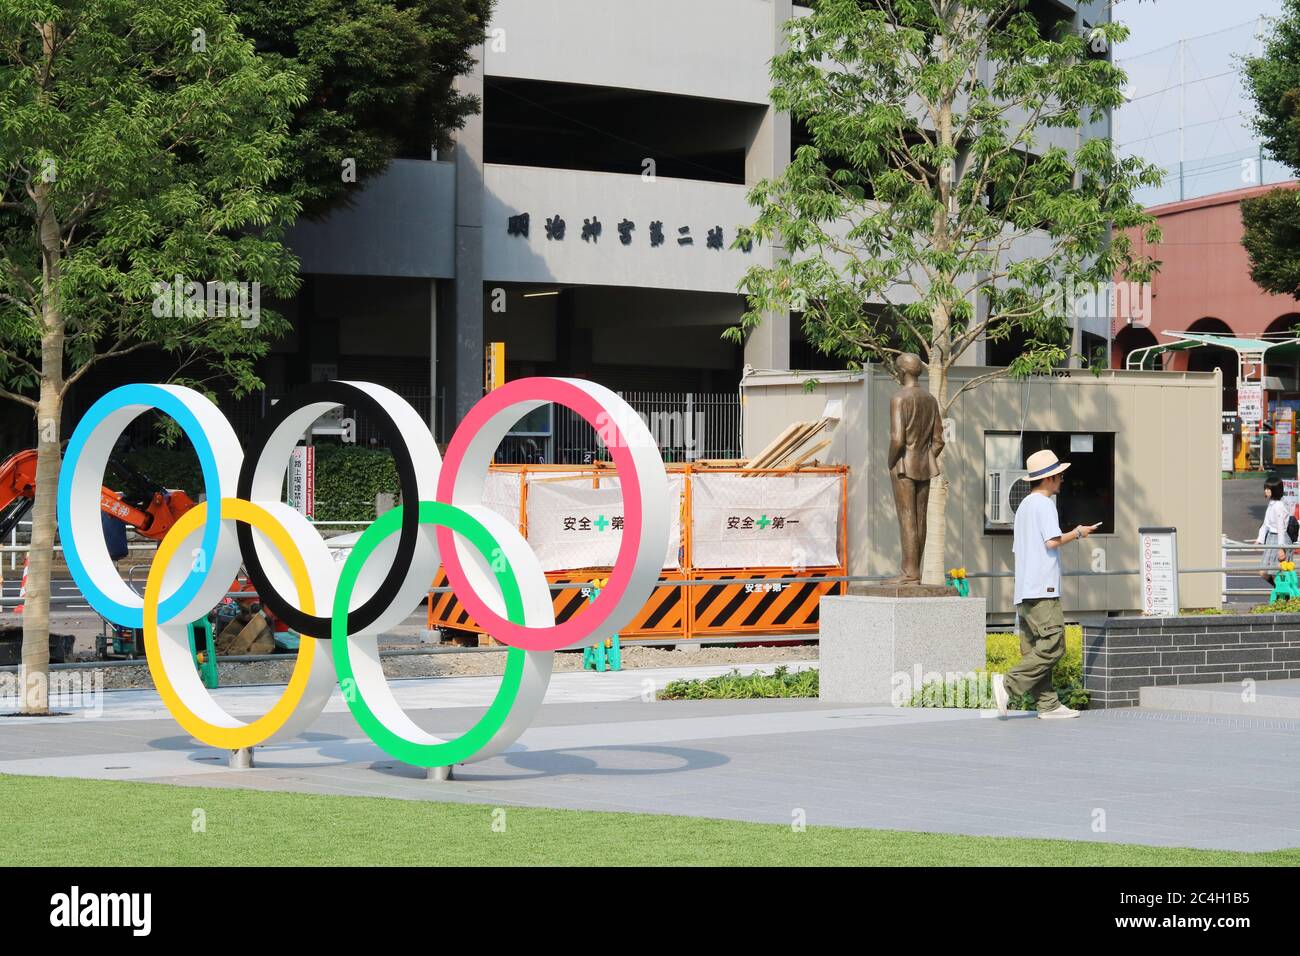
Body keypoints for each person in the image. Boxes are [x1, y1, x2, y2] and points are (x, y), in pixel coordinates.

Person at [992, 449, 1096, 720]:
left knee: (1035, 648)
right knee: (1053, 644)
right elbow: (1052, 541)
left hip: (1024, 589)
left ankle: (1048, 705)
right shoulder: (1045, 505)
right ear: (1050, 478)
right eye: (1060, 475)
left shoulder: (1025, 505)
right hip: (1043, 588)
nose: (1062, 479)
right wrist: (1079, 533)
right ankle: (1008, 684)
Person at [884, 352, 944, 585]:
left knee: (907, 519)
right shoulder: (930, 399)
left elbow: (897, 439)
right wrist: (926, 458)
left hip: (903, 466)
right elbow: (939, 440)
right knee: (920, 519)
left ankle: (909, 572)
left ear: (903, 372)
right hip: (924, 465)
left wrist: (891, 462)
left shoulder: (899, 398)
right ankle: (914, 570)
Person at [1256, 476, 1293, 585]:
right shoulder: (1272, 504)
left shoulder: (1278, 506)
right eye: (1265, 488)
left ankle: (1285, 596)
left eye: (1269, 489)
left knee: (1278, 573)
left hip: (1279, 539)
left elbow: (1281, 528)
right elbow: (1265, 524)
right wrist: (1260, 540)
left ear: (1275, 490)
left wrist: (1281, 548)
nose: (1266, 491)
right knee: (1264, 572)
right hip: (1271, 539)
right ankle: (1283, 595)